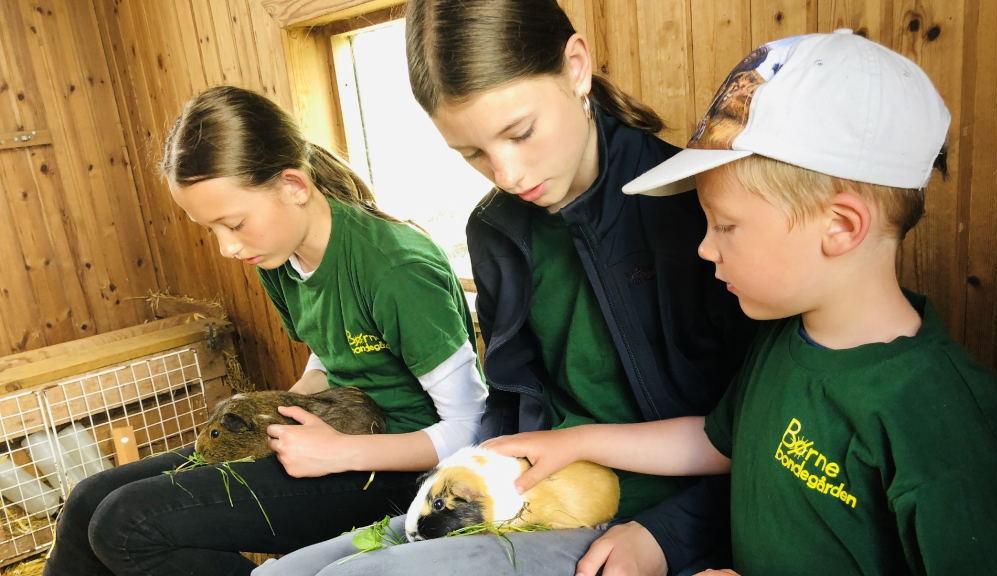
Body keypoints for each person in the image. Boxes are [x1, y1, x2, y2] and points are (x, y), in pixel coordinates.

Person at [483, 30, 997, 575]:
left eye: (726, 226)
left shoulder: (949, 424)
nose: (704, 247)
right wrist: (580, 442)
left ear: (840, 227)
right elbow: (718, 441)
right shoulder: (785, 341)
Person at [254, 1, 756, 575]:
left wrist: (666, 535)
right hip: (521, 491)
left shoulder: (698, 211)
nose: (507, 175)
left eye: (521, 132)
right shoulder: (495, 229)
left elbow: (754, 435)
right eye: (472, 153)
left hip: (656, 512)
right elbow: (510, 401)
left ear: (576, 67)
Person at [42, 86, 487, 576]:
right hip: (329, 442)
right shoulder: (278, 255)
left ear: (294, 186)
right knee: (87, 501)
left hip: (404, 474)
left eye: (233, 223)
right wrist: (276, 412)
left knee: (127, 524)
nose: (226, 248)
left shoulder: (395, 270)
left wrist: (339, 451)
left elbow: (472, 428)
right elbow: (331, 352)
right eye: (211, 229)